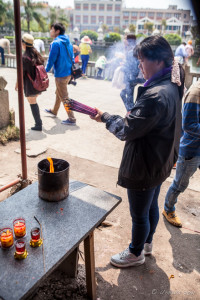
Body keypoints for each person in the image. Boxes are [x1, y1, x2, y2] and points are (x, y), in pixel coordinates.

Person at [90, 35, 185, 268]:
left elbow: (126, 130)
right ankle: (147, 244)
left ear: (160, 61)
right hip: (160, 159)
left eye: (142, 61)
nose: (140, 67)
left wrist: (105, 117)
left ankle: (135, 252)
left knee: (139, 213)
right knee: (151, 205)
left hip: (145, 163)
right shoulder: (173, 81)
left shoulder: (154, 96)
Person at [163, 80, 200, 227]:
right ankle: (168, 209)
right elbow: (189, 125)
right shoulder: (195, 93)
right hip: (191, 149)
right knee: (179, 184)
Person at [45, 23, 76, 126]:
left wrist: (45, 71)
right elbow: (72, 58)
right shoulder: (69, 43)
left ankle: (72, 118)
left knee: (64, 97)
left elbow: (51, 60)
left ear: (57, 31)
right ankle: (54, 110)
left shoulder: (56, 43)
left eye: (52, 29)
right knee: (59, 93)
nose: (50, 31)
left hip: (60, 74)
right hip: (68, 73)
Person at [15, 34, 44, 131]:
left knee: (32, 102)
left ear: (23, 44)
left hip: (31, 84)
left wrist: (17, 83)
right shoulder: (36, 54)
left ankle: (38, 124)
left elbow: (21, 73)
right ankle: (38, 123)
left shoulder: (25, 57)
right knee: (33, 102)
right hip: (38, 83)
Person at [120, 35, 140, 112]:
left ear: (129, 41)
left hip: (131, 78)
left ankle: (131, 113)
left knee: (129, 97)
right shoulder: (133, 49)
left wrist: (123, 66)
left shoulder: (132, 51)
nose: (124, 41)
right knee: (127, 96)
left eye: (125, 39)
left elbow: (133, 66)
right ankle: (131, 112)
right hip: (132, 77)